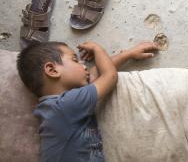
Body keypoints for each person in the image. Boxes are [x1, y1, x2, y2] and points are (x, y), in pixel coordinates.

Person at [16, 41, 159, 162]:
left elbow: (95, 73)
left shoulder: (55, 106)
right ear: (52, 70)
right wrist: (97, 49)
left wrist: (129, 54)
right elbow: (109, 76)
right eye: (75, 60)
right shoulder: (67, 104)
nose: (84, 65)